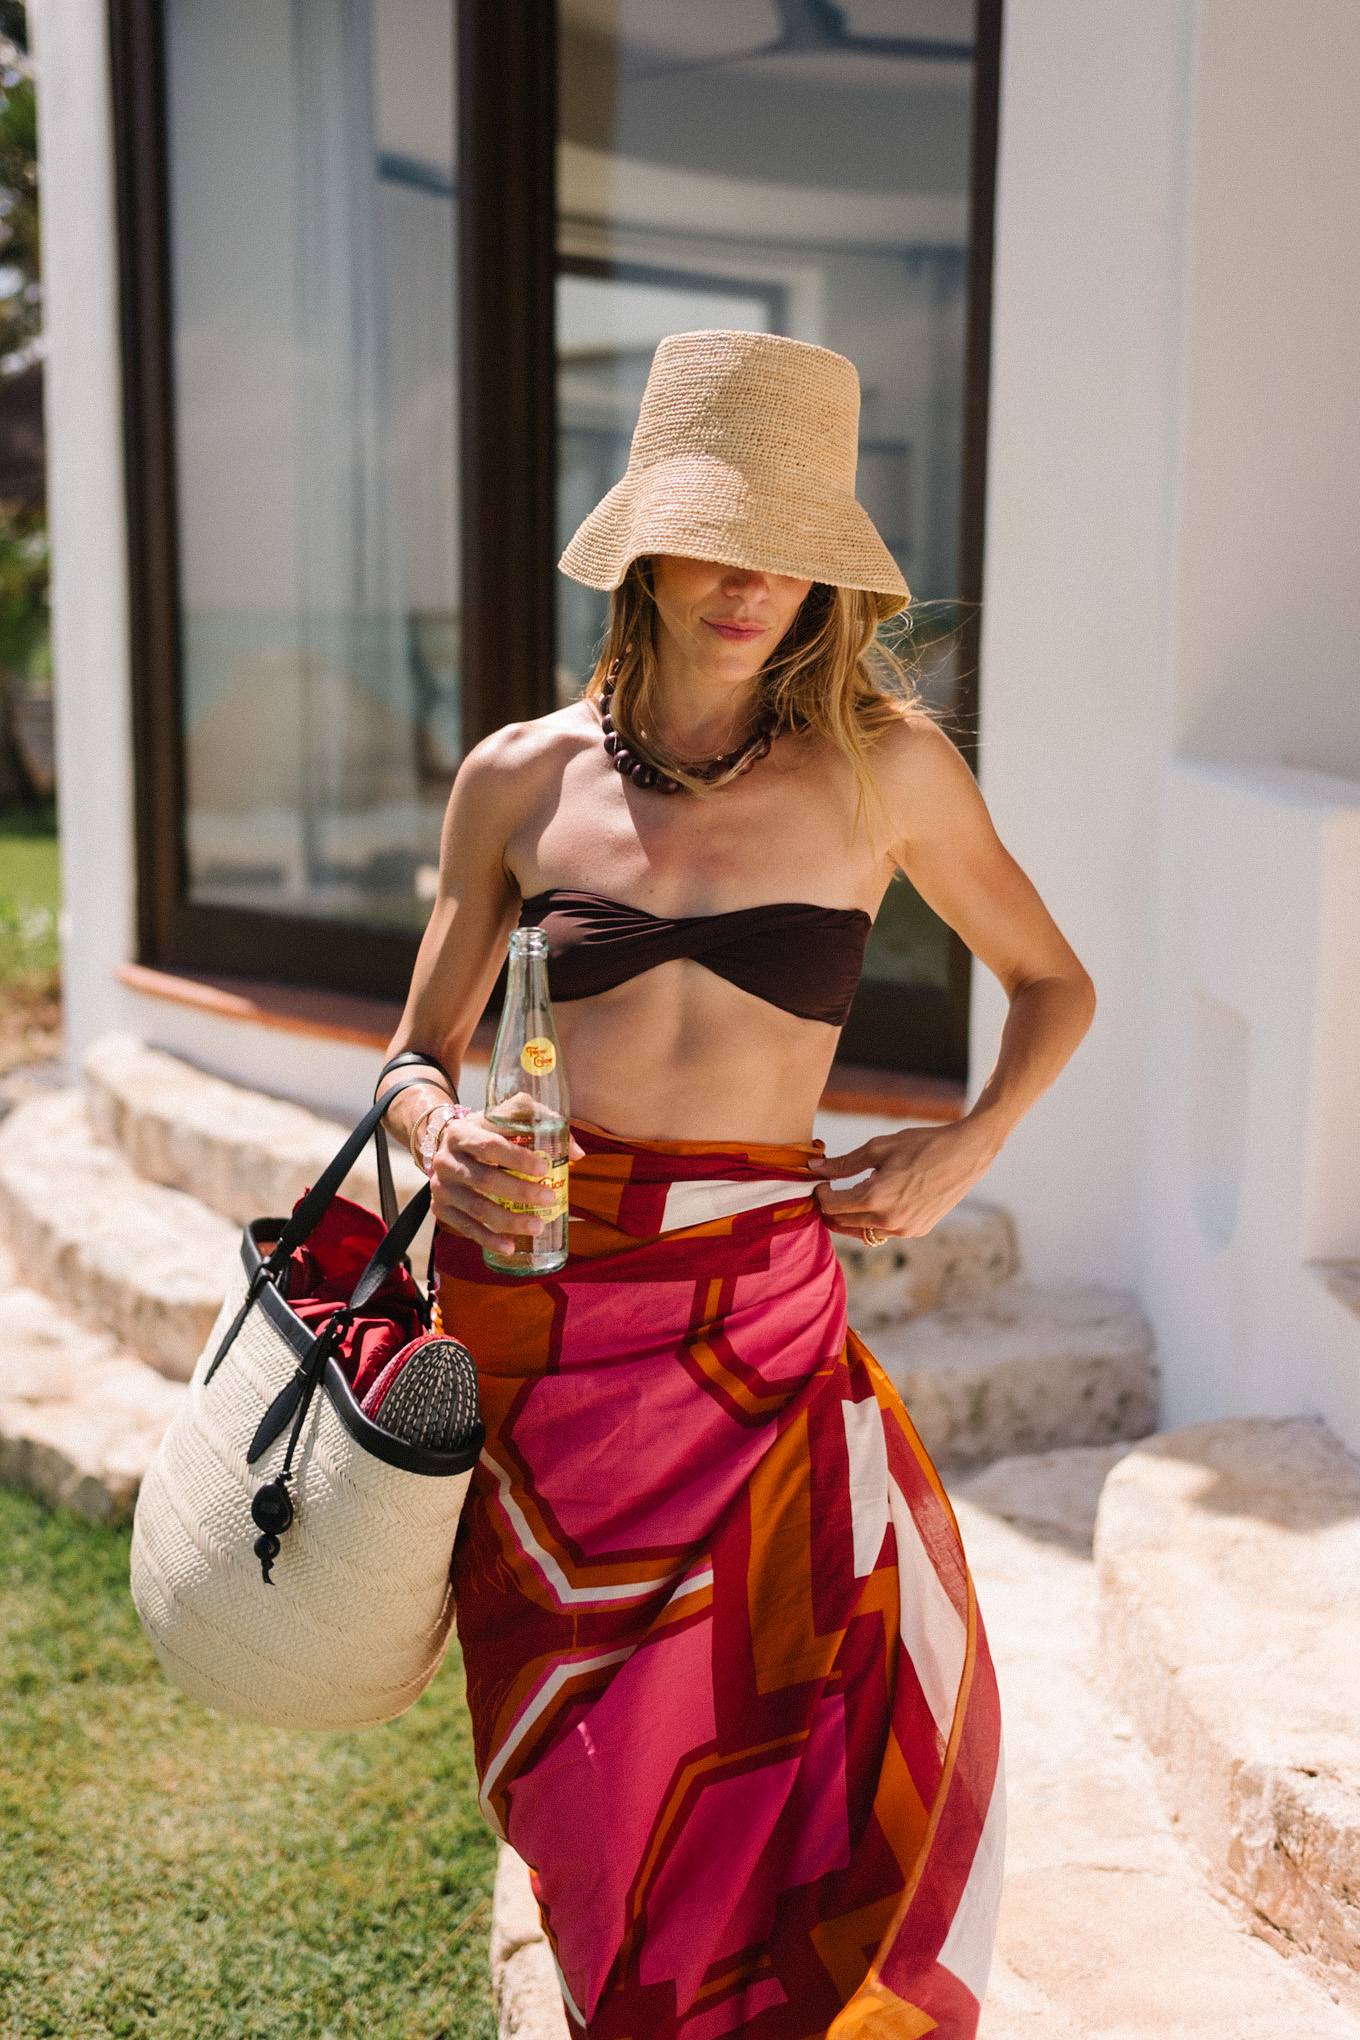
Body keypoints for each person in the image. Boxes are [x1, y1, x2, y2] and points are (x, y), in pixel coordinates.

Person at [381, 330, 1094, 2040]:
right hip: (545, 1322)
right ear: (643, 544)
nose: (754, 583)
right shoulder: (521, 779)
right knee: (581, 1760)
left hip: (759, 1324)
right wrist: (439, 1135)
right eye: (719, 534)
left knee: (822, 1735)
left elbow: (1056, 984)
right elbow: (414, 1054)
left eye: (796, 549)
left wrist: (965, 1139)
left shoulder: (882, 768)